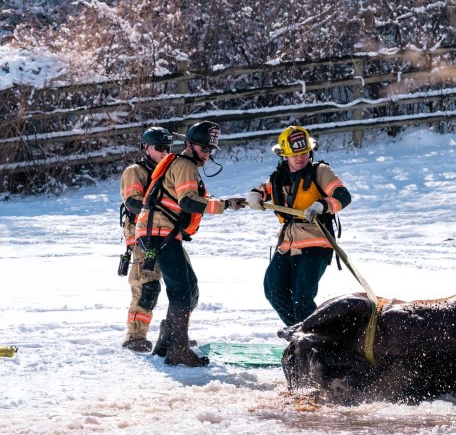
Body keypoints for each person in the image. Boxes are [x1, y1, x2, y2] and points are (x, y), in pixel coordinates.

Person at [136, 121, 246, 366]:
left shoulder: (182, 164)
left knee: (190, 288)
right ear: (189, 146)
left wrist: (224, 203)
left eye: (210, 150)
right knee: (181, 290)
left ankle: (167, 343)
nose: (207, 155)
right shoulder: (185, 165)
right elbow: (188, 202)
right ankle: (178, 350)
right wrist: (225, 205)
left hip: (162, 231)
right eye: (204, 149)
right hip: (159, 231)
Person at [246, 126, 352, 327]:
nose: (300, 158)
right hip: (288, 244)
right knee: (273, 290)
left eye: (304, 152)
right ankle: (302, 337)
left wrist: (323, 205)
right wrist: (256, 194)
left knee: (301, 299)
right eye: (294, 154)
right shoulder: (279, 177)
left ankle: (315, 345)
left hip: (316, 242)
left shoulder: (321, 171)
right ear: (284, 155)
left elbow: (343, 196)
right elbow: (263, 190)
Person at [118, 127, 175, 351]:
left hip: (168, 233)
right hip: (144, 234)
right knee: (146, 285)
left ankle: (175, 333)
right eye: (160, 147)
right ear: (146, 148)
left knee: (183, 283)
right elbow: (133, 202)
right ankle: (135, 335)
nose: (164, 152)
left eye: (168, 148)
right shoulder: (135, 171)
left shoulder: (170, 170)